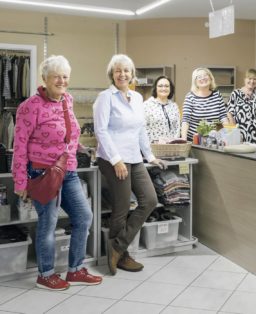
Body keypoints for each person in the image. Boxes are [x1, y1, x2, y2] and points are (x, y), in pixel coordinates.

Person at [12, 55, 102, 290]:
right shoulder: (30, 106)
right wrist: (20, 181)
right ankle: (46, 274)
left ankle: (75, 269)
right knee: (48, 222)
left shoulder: (67, 100)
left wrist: (81, 147)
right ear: (44, 79)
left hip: (68, 170)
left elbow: (67, 135)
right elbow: (19, 146)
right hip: (42, 173)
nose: (62, 81)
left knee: (84, 217)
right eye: (56, 77)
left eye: (65, 77)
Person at [93, 54, 167, 275]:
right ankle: (121, 256)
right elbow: (101, 131)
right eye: (118, 70)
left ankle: (117, 247)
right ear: (112, 74)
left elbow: (141, 130)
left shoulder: (136, 98)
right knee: (122, 208)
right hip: (112, 158)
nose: (122, 74)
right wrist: (116, 160)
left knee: (150, 200)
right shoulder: (105, 98)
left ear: (132, 74)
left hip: (135, 158)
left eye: (126, 70)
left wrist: (150, 156)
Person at [181, 67, 228, 141]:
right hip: (194, 140)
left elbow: (223, 117)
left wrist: (227, 135)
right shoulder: (190, 97)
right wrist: (183, 139)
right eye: (199, 77)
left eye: (205, 75)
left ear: (210, 78)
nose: (203, 78)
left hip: (214, 139)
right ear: (195, 81)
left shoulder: (217, 95)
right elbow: (185, 121)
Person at [143, 75, 180, 142]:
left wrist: (173, 143)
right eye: (160, 86)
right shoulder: (146, 105)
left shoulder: (174, 106)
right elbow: (143, 129)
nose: (163, 88)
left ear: (170, 88)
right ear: (155, 88)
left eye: (166, 86)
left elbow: (177, 127)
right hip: (153, 148)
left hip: (172, 148)